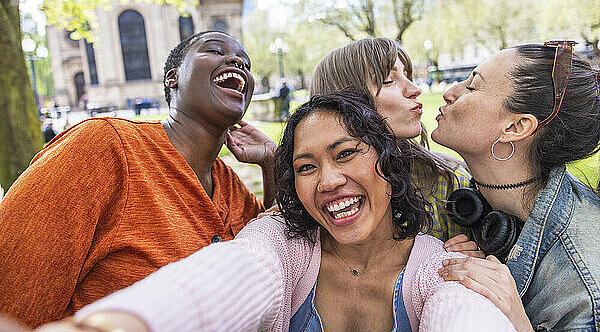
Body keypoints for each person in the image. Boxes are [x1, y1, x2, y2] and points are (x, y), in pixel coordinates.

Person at [36, 90, 515, 332]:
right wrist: (116, 325)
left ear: (387, 162)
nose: (328, 180)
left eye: (346, 153)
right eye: (307, 167)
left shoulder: (440, 266)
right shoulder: (283, 244)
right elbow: (227, 277)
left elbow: (465, 316)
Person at [0, 31, 276, 327]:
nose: (236, 61)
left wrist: (271, 162)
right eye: (214, 50)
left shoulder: (231, 186)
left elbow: (273, 252)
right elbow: (14, 295)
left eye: (245, 63)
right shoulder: (103, 146)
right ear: (173, 78)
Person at [434, 41, 600, 331]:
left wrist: (518, 322)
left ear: (515, 127)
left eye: (472, 87)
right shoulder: (484, 205)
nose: (450, 93)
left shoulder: (582, 282)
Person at [311, 37, 474, 248]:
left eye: (407, 75)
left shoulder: (448, 182)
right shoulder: (313, 195)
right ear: (345, 103)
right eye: (389, 81)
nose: (414, 89)